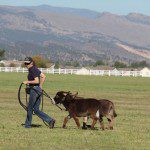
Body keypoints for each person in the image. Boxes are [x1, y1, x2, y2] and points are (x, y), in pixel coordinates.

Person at [23, 57, 55, 128]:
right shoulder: (35, 68)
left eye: (27, 63)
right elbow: (43, 76)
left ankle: (27, 125)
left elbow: (36, 81)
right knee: (36, 109)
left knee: (30, 108)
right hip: (38, 90)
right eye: (25, 63)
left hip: (34, 90)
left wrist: (27, 82)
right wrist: (40, 86)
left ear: (31, 62)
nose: (26, 64)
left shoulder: (32, 70)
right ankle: (50, 120)